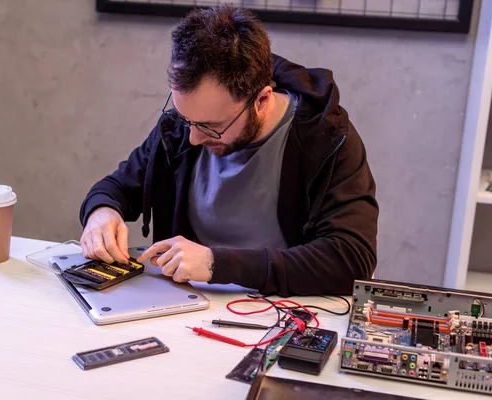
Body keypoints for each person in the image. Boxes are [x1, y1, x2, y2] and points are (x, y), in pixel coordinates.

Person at [78, 5, 378, 296]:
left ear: (261, 100)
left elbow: (351, 259)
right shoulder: (184, 127)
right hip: (188, 307)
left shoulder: (326, 138)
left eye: (211, 126)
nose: (193, 138)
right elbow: (117, 187)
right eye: (186, 120)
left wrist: (217, 264)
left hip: (286, 312)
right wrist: (101, 212)